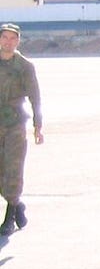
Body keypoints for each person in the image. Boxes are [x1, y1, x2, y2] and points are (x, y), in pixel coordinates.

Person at [0, 22, 43, 236]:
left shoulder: (24, 66)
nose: (8, 42)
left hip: (15, 124)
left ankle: (9, 216)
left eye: (12, 38)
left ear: (18, 41)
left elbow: (34, 96)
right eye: (5, 37)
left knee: (13, 170)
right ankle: (18, 205)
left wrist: (38, 124)